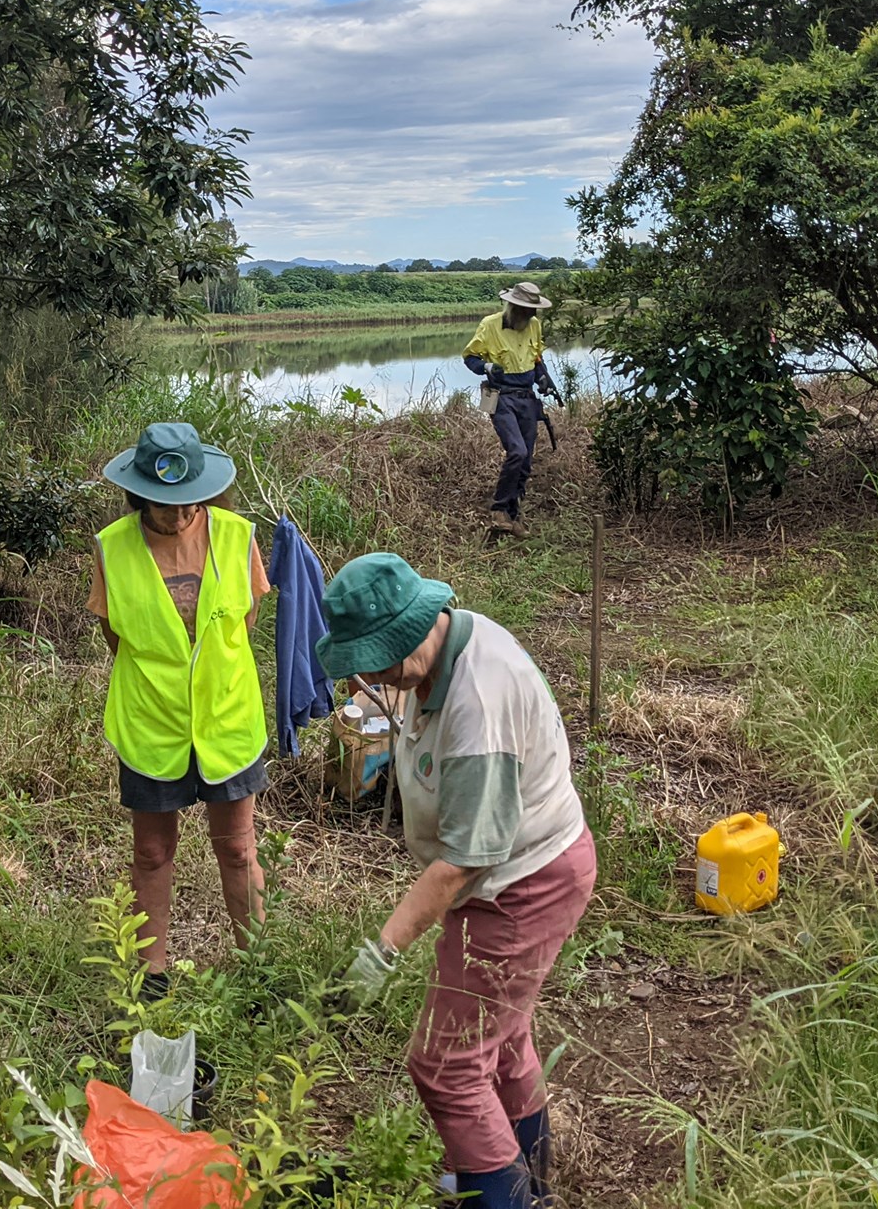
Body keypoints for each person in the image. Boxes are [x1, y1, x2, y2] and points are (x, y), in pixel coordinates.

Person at [317, 553, 594, 1209]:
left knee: (444, 1064)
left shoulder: (479, 699)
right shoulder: (438, 649)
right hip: (513, 876)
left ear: (415, 629)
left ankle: (505, 1198)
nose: (371, 677)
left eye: (379, 660)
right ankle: (526, 1177)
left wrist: (383, 948)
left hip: (523, 887)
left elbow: (465, 860)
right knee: (499, 1041)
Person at [89, 422, 273, 992]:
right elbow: (116, 637)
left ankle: (258, 970)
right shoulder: (111, 547)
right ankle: (152, 976)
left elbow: (244, 625)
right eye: (165, 504)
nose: (178, 515)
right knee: (150, 850)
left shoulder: (238, 537)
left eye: (189, 501)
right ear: (139, 492)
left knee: (239, 851)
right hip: (152, 724)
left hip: (227, 720)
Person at [463, 281, 560, 538]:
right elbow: (470, 357)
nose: (529, 316)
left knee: (526, 461)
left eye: (533, 311)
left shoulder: (535, 326)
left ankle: (511, 518)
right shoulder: (490, 324)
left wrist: (543, 378)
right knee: (516, 451)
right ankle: (498, 509)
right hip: (501, 398)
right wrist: (486, 368)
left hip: (527, 399)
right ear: (513, 306)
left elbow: (537, 357)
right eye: (525, 310)